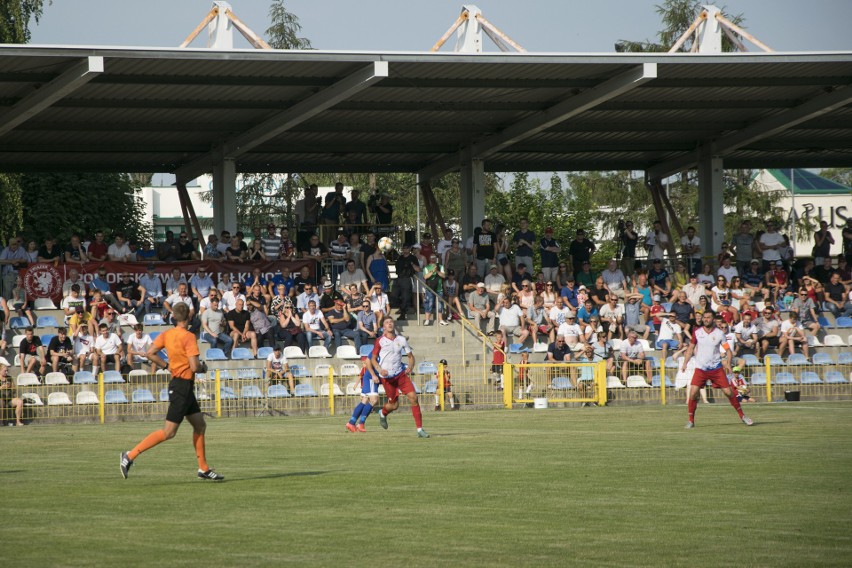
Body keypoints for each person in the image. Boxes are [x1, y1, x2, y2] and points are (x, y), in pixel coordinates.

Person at [120, 302, 223, 481]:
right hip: (182, 387)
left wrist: (167, 366)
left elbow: (150, 353)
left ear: (173, 317)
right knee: (169, 432)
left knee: (199, 425)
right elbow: (194, 366)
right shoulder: (189, 337)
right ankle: (129, 456)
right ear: (189, 317)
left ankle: (203, 468)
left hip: (183, 386)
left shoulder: (167, 334)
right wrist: (203, 368)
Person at [681, 311, 753, 429]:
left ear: (713, 319)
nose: (706, 319)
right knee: (693, 392)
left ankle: (742, 416)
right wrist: (685, 363)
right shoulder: (697, 332)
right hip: (701, 368)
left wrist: (728, 364)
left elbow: (728, 350)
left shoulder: (719, 334)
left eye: (708, 317)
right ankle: (691, 420)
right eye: (704, 317)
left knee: (728, 392)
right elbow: (691, 348)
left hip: (716, 368)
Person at [372, 318, 429, 438]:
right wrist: (379, 370)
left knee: (413, 397)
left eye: (391, 322)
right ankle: (382, 413)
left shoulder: (401, 340)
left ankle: (420, 430)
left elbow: (411, 356)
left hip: (400, 375)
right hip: (387, 378)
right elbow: (373, 359)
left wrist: (411, 366)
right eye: (387, 323)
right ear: (383, 327)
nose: (390, 324)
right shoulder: (380, 341)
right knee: (394, 405)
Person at [346, 356, 379, 432]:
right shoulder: (378, 352)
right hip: (371, 379)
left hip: (367, 381)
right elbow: (369, 360)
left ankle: (352, 422)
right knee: (373, 400)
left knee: (364, 401)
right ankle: (360, 423)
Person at [0, 357, 25, 426]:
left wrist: (10, 386)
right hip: (1, 398)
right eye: (5, 371)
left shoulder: (9, 378)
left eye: (7, 371)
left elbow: (14, 389)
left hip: (9, 399)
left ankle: (18, 421)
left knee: (20, 401)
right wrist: (1, 387)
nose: (6, 372)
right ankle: (1, 421)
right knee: (1, 401)